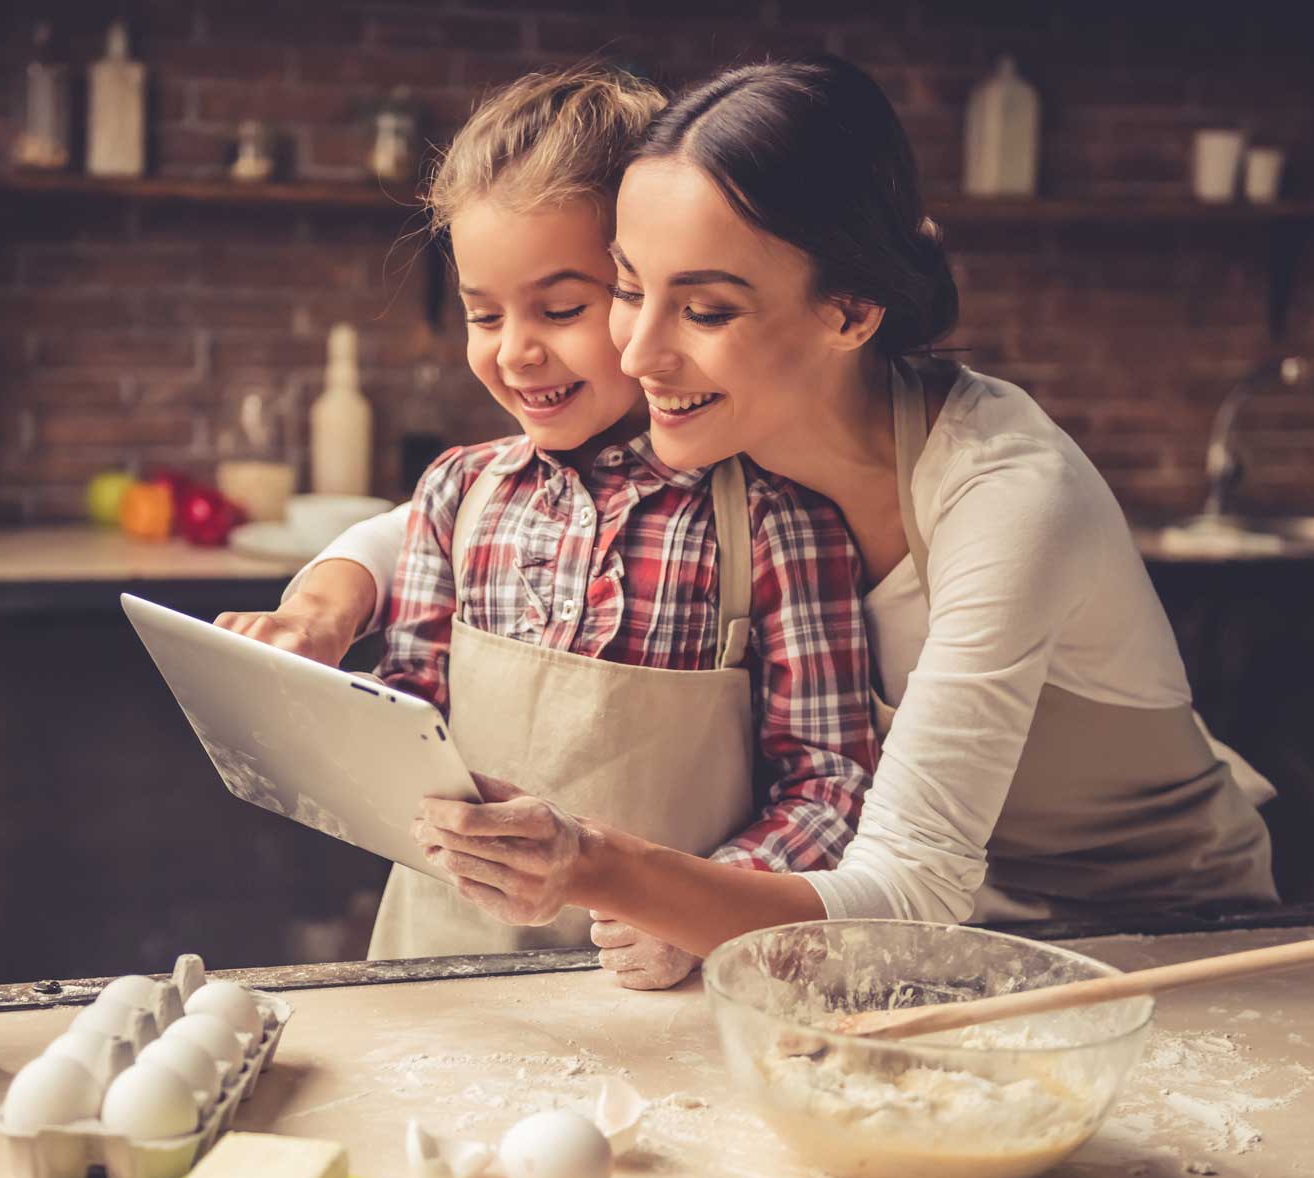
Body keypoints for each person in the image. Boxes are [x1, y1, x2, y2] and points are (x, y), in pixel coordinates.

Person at [233, 55, 1277, 978]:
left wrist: (616, 875)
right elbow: (448, 509)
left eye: (705, 309)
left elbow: (906, 875)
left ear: (850, 312)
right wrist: (328, 604)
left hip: (1150, 927)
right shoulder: (717, 427)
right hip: (886, 924)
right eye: (625, 290)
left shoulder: (1005, 496)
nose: (635, 353)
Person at [221, 65, 878, 983]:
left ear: (640, 283)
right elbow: (411, 723)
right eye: (482, 314)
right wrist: (308, 704)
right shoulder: (458, 494)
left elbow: (831, 786)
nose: (515, 349)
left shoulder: (773, 521)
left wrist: (707, 908)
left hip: (658, 998)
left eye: (562, 308)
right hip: (443, 972)